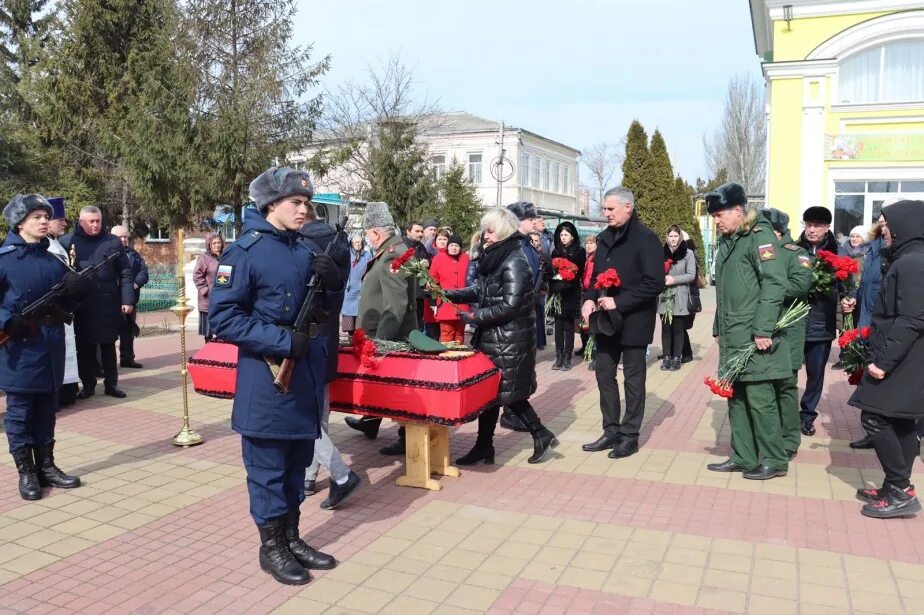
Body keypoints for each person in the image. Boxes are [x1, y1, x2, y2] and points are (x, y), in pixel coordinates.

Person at [208, 167, 337, 585]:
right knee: (267, 471)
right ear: (270, 205)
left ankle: (293, 538)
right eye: (295, 203)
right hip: (267, 381)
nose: (304, 210)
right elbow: (224, 318)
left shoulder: (302, 251)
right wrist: (282, 343)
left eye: (307, 203)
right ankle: (272, 548)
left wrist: (331, 285)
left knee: (298, 463)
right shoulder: (244, 252)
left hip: (303, 380)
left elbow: (321, 312)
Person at [446, 208, 558, 465]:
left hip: (509, 339)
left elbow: (512, 305)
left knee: (508, 395)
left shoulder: (514, 259)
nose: (485, 235)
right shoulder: (496, 256)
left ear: (504, 230)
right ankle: (485, 445)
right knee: (491, 394)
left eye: (490, 230)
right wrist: (449, 294)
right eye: (485, 229)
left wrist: (475, 318)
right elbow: (481, 290)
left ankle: (539, 433)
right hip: (495, 338)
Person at [703, 183, 792, 480]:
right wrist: (718, 326)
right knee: (736, 396)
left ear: (738, 211)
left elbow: (774, 282)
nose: (716, 221)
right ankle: (743, 455)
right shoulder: (731, 238)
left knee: (760, 397)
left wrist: (763, 328)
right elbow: (725, 290)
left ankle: (775, 460)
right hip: (733, 333)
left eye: (719, 215)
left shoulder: (759, 236)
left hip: (754, 333)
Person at [2, 194, 86, 500]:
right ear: (20, 222)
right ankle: (26, 471)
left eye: (45, 217)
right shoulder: (5, 260)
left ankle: (47, 466)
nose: (43, 221)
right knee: (20, 413)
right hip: (20, 349)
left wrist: (77, 291)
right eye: (36, 217)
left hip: (50, 346)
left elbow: (65, 302)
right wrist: (6, 321)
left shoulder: (53, 258)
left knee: (47, 410)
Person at [848, 200, 924, 518]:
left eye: (885, 224)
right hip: (907, 356)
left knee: (875, 417)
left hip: (903, 358)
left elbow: (911, 319)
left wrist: (883, 362)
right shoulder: (907, 258)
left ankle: (899, 489)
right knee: (902, 420)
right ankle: (898, 487)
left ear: (903, 226)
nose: (882, 231)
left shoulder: (912, 263)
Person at [581, 187, 663, 459]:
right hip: (606, 321)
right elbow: (597, 276)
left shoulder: (646, 239)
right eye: (604, 209)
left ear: (628, 207)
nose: (606, 214)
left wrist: (622, 301)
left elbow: (655, 283)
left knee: (633, 379)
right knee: (604, 373)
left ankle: (630, 436)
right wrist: (590, 298)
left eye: (611, 209)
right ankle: (611, 430)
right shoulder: (604, 239)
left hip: (635, 321)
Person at [343, 202, 419, 454]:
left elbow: (395, 305)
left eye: (367, 235)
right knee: (387, 388)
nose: (367, 240)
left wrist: (381, 344)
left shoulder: (392, 255)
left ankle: (406, 439)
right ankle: (371, 423)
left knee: (399, 391)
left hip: (390, 339)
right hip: (388, 336)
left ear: (375, 233)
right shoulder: (395, 250)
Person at [299, 210, 362, 511]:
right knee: (319, 417)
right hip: (327, 342)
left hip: (304, 342)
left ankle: (341, 475)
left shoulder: (303, 244)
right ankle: (309, 476)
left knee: (305, 420)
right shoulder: (339, 243)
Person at [60, 206, 133, 400]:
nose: (95, 225)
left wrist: (127, 300)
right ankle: (88, 385)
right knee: (85, 347)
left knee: (108, 345)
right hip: (82, 304)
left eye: (98, 221)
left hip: (108, 302)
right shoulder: (69, 241)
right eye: (90, 221)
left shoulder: (113, 242)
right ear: (81, 221)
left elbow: (125, 272)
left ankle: (112, 384)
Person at [762, 208, 812, 459]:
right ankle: (768, 438)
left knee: (785, 387)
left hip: (787, 330)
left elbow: (800, 285)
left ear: (777, 231)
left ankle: (789, 440)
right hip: (763, 329)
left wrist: (765, 291)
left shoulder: (797, 254)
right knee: (763, 387)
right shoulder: (763, 251)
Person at [844, 217, 886, 449]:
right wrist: (854, 300)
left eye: (885, 220)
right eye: (879, 220)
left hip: (882, 329)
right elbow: (867, 287)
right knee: (869, 383)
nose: (880, 223)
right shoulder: (873, 250)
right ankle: (874, 434)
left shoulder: (895, 251)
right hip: (866, 324)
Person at [797, 206, 839, 437]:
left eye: (817, 226)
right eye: (808, 225)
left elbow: (846, 283)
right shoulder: (793, 249)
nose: (811, 230)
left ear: (827, 228)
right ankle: (784, 411)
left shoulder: (837, 253)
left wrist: (848, 299)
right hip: (793, 322)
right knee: (788, 370)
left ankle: (807, 414)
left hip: (822, 323)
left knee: (816, 373)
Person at [499, 202, 541, 433]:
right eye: (531, 218)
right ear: (518, 220)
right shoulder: (514, 246)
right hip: (514, 316)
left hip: (527, 312)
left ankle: (514, 411)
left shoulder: (527, 245)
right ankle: (510, 413)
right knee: (513, 368)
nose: (535, 221)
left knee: (523, 367)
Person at [45, 198, 79, 407]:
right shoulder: (45, 246)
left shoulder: (57, 243)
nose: (64, 224)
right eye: (60, 220)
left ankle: (67, 390)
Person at [657, 225, 696, 371]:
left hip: (680, 295)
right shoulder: (661, 252)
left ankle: (676, 357)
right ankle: (666, 356)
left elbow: (691, 275)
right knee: (666, 328)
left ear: (679, 237)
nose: (673, 239)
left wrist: (674, 279)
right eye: (670, 236)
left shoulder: (688, 253)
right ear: (667, 238)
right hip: (664, 296)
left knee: (678, 329)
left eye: (675, 236)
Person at [548, 221, 585, 371]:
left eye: (566, 235)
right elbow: (550, 272)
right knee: (558, 326)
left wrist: (563, 283)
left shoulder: (579, 251)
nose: (563, 238)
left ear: (572, 236)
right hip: (557, 293)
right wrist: (555, 284)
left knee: (569, 326)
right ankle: (558, 357)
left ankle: (567, 357)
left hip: (571, 292)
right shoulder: (556, 251)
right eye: (561, 235)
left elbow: (577, 274)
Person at [111, 225, 148, 369]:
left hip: (131, 300)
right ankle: (104, 364)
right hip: (113, 299)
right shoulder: (107, 253)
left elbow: (143, 272)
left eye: (125, 236)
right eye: (120, 237)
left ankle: (127, 358)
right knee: (109, 333)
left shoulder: (134, 254)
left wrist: (135, 284)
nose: (124, 239)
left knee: (128, 331)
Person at [429, 234, 470, 343]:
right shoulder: (438, 259)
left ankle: (459, 357)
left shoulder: (466, 259)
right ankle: (446, 357)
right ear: (447, 246)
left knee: (460, 333)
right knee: (447, 332)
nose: (454, 248)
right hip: (445, 302)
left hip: (462, 303)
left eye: (456, 245)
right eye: (451, 245)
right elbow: (432, 278)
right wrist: (434, 289)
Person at [193, 232, 225, 341]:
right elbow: (197, 276)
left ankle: (221, 355)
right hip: (208, 299)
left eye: (219, 242)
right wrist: (205, 290)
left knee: (223, 330)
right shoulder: (204, 258)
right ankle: (208, 355)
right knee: (209, 331)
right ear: (209, 245)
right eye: (214, 243)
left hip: (223, 298)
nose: (217, 245)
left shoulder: (225, 257)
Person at [341, 234, 370, 336]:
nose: (359, 244)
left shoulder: (367, 254)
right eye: (356, 242)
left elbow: (370, 268)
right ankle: (350, 335)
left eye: (360, 242)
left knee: (360, 313)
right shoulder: (347, 254)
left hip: (362, 287)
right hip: (350, 288)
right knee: (349, 313)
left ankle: (358, 336)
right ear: (351, 244)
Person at [680, 231, 700, 363]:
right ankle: (670, 351)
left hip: (687, 295)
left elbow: (691, 276)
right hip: (678, 295)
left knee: (680, 327)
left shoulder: (690, 256)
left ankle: (687, 352)